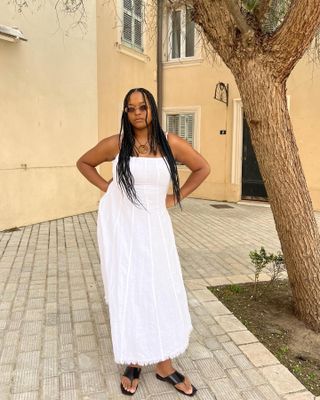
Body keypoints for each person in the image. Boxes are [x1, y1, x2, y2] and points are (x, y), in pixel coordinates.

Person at [76, 88, 211, 397]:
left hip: (156, 229)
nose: (137, 112)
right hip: (123, 228)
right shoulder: (117, 143)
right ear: (126, 112)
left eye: (143, 107)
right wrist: (107, 188)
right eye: (131, 108)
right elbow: (84, 163)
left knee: (160, 289)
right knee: (130, 290)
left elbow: (202, 167)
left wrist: (176, 196)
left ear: (152, 109)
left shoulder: (170, 143)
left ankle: (164, 364)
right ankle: (134, 360)